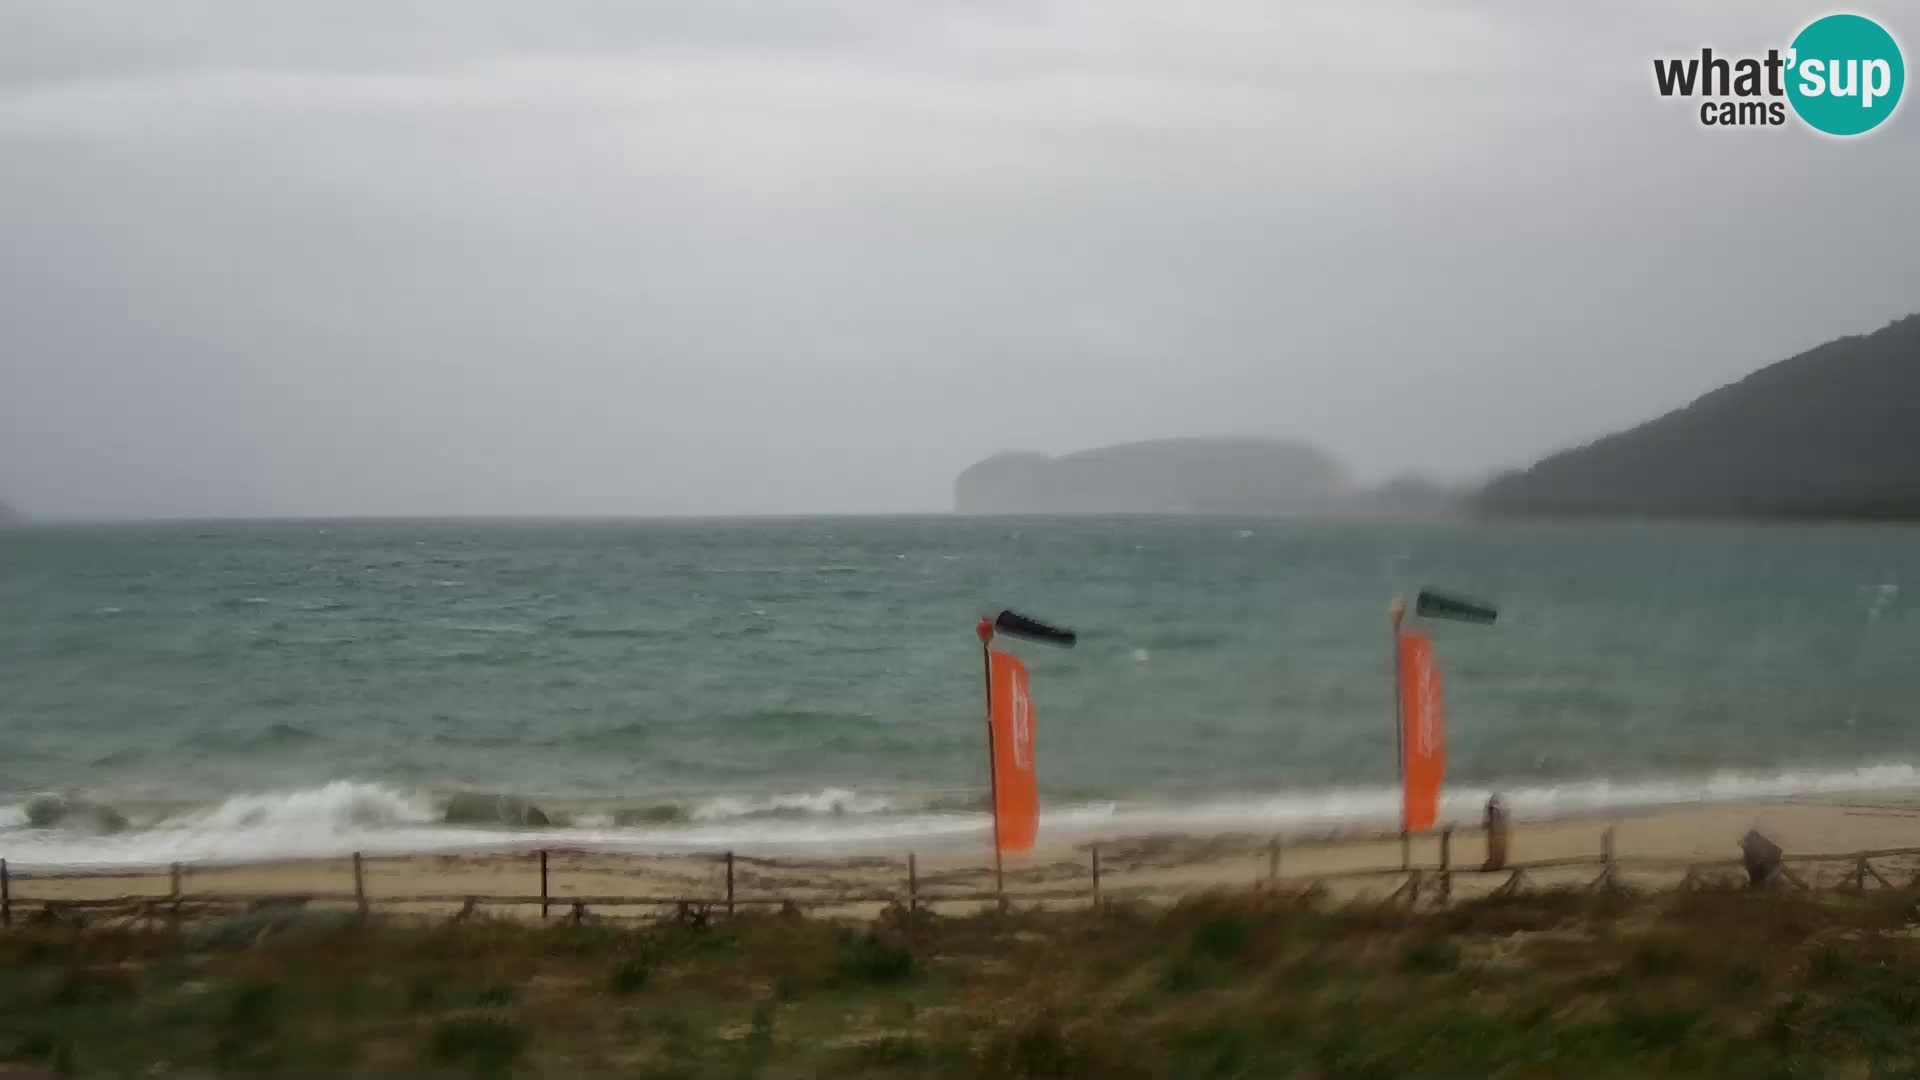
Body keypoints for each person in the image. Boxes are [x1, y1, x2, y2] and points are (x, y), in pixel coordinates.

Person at [1483, 793, 1510, 871]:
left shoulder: (1492, 809)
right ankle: (1498, 862)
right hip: (1499, 829)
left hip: (1495, 830)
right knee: (1499, 846)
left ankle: (1495, 863)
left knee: (1494, 846)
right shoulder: (1501, 809)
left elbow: (1487, 821)